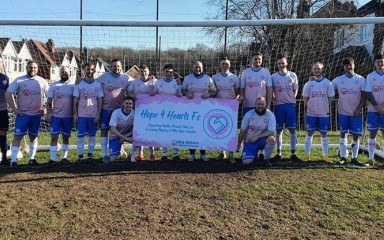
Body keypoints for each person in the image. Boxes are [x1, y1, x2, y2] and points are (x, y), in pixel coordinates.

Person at [5, 61, 49, 167]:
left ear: (37, 69)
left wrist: (46, 108)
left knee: (34, 137)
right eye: (30, 67)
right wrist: (14, 109)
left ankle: (31, 159)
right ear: (26, 68)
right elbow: (8, 93)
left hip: (36, 115)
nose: (32, 69)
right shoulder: (19, 80)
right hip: (22, 115)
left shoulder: (42, 81)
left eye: (34, 67)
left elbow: (51, 96)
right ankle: (13, 161)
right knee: (17, 137)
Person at [97, 59, 132, 163]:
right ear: (110, 67)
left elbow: (137, 83)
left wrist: (152, 79)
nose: (116, 68)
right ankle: (104, 154)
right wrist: (80, 80)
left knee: (119, 131)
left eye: (118, 66)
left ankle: (119, 150)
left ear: (121, 67)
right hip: (105, 109)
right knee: (104, 131)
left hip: (119, 111)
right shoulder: (104, 77)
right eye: (114, 66)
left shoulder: (126, 77)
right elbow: (92, 83)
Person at [238, 52, 272, 160]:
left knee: (262, 128)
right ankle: (246, 149)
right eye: (255, 59)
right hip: (249, 105)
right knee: (247, 129)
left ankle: (261, 152)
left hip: (262, 106)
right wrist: (242, 97)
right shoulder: (245, 72)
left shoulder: (266, 72)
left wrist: (269, 104)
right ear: (251, 60)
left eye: (259, 59)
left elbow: (269, 89)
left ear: (261, 61)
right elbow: (242, 88)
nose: (257, 61)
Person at [332, 58, 366, 166]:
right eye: (346, 65)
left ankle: (354, 158)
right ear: (344, 67)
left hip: (356, 113)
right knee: (343, 134)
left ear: (354, 65)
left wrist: (359, 109)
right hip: (343, 112)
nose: (349, 67)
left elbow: (364, 96)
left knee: (356, 135)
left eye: (350, 65)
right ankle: (343, 157)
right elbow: (327, 87)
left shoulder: (361, 79)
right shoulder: (338, 80)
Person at [181, 61, 217, 162]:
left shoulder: (208, 79)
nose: (198, 69)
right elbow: (183, 90)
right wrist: (186, 93)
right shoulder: (188, 78)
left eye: (199, 67)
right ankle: (192, 153)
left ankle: (203, 153)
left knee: (203, 131)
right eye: (196, 67)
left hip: (204, 109)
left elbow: (214, 91)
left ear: (202, 68)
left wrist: (209, 95)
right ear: (193, 68)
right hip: (191, 109)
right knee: (191, 131)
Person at [149, 64, 183, 162]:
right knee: (163, 131)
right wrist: (152, 93)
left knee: (175, 131)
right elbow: (154, 92)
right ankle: (164, 154)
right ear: (163, 72)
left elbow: (179, 94)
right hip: (162, 112)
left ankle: (175, 154)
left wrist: (180, 94)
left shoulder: (177, 82)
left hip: (174, 113)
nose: (169, 73)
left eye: (171, 72)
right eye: (167, 71)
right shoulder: (159, 82)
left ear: (173, 73)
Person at [302, 61, 335, 162]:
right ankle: (307, 155)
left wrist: (323, 105)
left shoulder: (328, 83)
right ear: (312, 70)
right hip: (311, 113)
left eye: (318, 68)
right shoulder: (308, 84)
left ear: (322, 69)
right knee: (309, 133)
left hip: (323, 113)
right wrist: (311, 106)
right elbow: (305, 98)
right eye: (315, 69)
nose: (316, 70)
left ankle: (325, 156)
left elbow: (330, 98)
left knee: (324, 134)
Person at [270, 55, 301, 162]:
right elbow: (271, 90)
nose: (281, 65)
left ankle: (293, 153)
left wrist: (292, 98)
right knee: (278, 131)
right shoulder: (273, 77)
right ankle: (278, 153)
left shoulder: (293, 75)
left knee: (292, 129)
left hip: (290, 106)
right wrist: (274, 100)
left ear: (286, 63)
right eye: (279, 63)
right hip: (279, 106)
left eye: (282, 63)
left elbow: (295, 90)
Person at [73, 61, 104, 163]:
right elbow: (75, 100)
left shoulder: (98, 84)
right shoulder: (79, 84)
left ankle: (90, 156)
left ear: (95, 70)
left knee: (92, 136)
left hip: (93, 115)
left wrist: (98, 114)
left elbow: (100, 100)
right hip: (82, 115)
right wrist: (75, 114)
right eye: (88, 69)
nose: (90, 71)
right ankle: (80, 157)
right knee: (80, 137)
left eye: (92, 69)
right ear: (84, 70)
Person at [212, 57, 240, 163]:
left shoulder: (235, 77)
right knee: (220, 131)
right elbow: (212, 92)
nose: (225, 66)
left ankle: (231, 153)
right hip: (218, 107)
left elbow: (238, 93)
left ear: (230, 65)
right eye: (223, 64)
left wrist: (235, 101)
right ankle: (222, 152)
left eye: (226, 64)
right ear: (220, 65)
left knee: (231, 130)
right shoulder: (215, 77)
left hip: (231, 108)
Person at [45, 66, 74, 166]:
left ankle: (64, 158)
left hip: (68, 116)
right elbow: (49, 101)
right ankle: (52, 159)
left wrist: (75, 114)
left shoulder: (73, 85)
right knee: (54, 137)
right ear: (60, 73)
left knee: (66, 137)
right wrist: (48, 113)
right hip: (56, 116)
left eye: (65, 71)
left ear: (69, 72)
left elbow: (76, 101)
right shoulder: (54, 85)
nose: (64, 73)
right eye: (62, 72)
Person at [127, 64, 157, 161]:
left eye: (145, 71)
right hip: (139, 111)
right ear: (139, 72)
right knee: (140, 131)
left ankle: (152, 154)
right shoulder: (135, 82)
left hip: (151, 112)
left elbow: (160, 90)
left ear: (148, 72)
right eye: (141, 71)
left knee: (150, 130)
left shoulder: (154, 82)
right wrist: (133, 96)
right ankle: (140, 153)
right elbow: (129, 91)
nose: (143, 73)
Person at [237, 97, 276, 167]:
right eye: (258, 104)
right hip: (250, 141)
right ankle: (254, 155)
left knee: (272, 139)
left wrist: (257, 136)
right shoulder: (248, 114)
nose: (260, 106)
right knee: (246, 163)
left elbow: (271, 131)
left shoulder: (270, 115)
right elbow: (242, 131)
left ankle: (266, 160)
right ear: (255, 105)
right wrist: (238, 145)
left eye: (262, 104)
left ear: (266, 104)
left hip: (262, 140)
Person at [365, 54, 384, 166]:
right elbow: (368, 92)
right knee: (372, 133)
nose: (380, 63)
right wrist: (377, 106)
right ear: (375, 63)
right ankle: (371, 159)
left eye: (382, 61)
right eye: (378, 62)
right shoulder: (370, 76)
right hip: (373, 109)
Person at [109, 96, 137, 162]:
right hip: (115, 136)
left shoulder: (134, 113)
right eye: (126, 103)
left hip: (127, 134)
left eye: (130, 104)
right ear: (123, 104)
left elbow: (135, 128)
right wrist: (124, 137)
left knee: (139, 138)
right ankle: (121, 150)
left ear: (133, 104)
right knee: (112, 160)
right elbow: (112, 129)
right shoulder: (116, 112)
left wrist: (125, 137)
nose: (128, 105)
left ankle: (131, 153)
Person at [0, 57, 10, 165]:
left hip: (3, 110)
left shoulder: (5, 78)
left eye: (0, 63)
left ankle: (4, 158)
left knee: (3, 134)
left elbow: (8, 94)